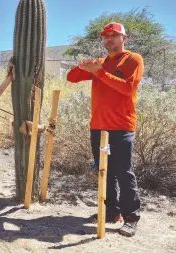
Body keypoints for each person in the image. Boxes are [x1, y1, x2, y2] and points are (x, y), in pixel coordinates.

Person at [67, 22, 144, 237]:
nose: (109, 39)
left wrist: (99, 73)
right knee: (104, 173)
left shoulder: (132, 59)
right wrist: (83, 66)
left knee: (124, 173)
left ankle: (131, 218)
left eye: (114, 35)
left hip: (121, 127)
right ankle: (112, 213)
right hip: (98, 127)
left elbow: (127, 89)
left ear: (123, 38)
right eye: (106, 36)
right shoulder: (100, 63)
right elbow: (71, 78)